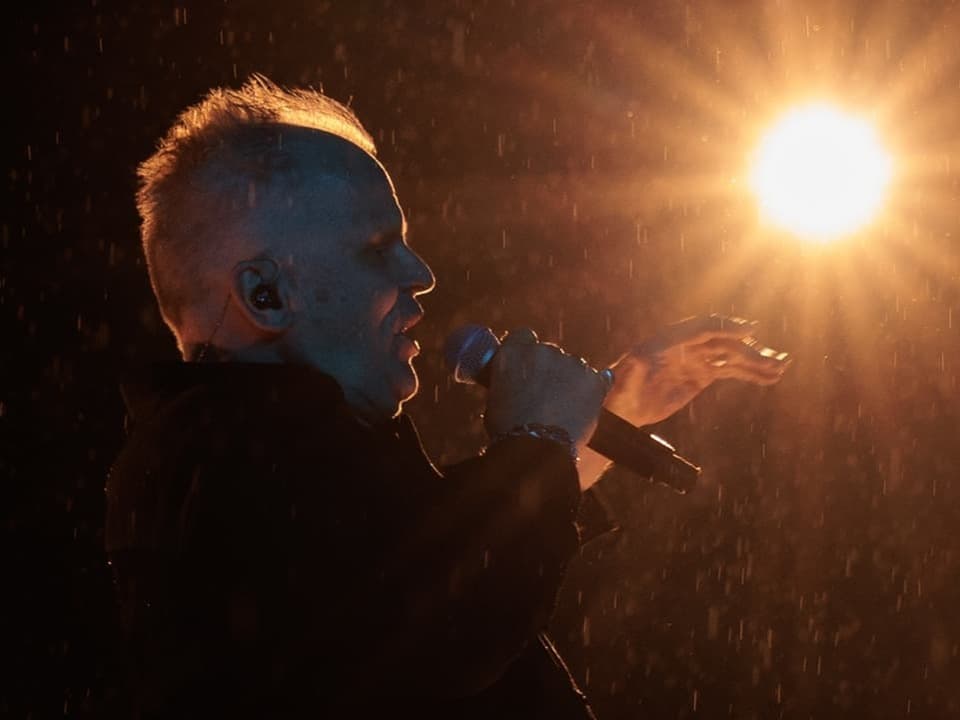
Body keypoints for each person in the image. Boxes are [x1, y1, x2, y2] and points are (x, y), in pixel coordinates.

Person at [105, 74, 791, 719]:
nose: (422, 274)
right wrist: (539, 445)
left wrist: (595, 422)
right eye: (379, 248)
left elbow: (416, 564)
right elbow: (423, 631)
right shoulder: (219, 462)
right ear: (267, 293)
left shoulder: (251, 454)